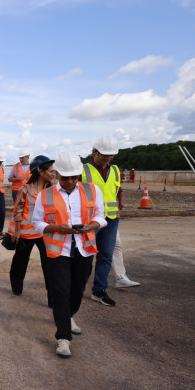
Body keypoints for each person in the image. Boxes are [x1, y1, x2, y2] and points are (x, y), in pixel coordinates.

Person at [32, 152, 106, 358]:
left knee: (78, 288)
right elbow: (37, 222)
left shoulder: (93, 190)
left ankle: (68, 315)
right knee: (61, 291)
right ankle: (63, 337)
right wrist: (56, 228)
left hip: (85, 247)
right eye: (66, 178)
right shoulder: (45, 195)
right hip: (59, 250)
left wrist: (92, 225)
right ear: (57, 175)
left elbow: (101, 216)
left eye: (75, 177)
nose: (71, 182)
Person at [7, 155, 55, 301]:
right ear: (41, 171)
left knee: (50, 266)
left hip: (45, 234)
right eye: (51, 171)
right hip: (26, 234)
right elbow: (18, 211)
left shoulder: (52, 190)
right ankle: (16, 287)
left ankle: (52, 297)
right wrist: (16, 231)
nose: (54, 174)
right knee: (20, 263)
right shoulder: (25, 190)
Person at [82, 136, 121, 307]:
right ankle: (77, 287)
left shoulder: (115, 170)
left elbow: (117, 190)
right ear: (94, 152)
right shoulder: (83, 171)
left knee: (105, 255)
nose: (107, 157)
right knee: (84, 255)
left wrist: (120, 206)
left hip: (111, 220)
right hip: (90, 220)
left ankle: (99, 290)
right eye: (104, 154)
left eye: (111, 155)